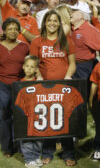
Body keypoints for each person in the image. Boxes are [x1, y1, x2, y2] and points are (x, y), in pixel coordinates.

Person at [30, 9, 76, 166]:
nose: (52, 23)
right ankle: (47, 152)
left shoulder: (67, 41)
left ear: (59, 23)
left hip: (63, 87)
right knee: (48, 121)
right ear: (44, 23)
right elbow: (34, 63)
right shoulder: (37, 41)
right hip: (45, 87)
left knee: (65, 120)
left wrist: (68, 77)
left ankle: (68, 152)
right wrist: (40, 78)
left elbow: (72, 63)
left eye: (55, 20)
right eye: (49, 20)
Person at [0, 17, 29, 157]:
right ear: (4, 31)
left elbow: (29, 67)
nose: (12, 31)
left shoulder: (24, 46)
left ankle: (20, 146)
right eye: (9, 29)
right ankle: (7, 147)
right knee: (4, 116)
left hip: (19, 84)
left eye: (15, 29)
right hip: (2, 84)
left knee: (19, 116)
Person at [69, 0, 100, 80]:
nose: (70, 13)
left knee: (82, 91)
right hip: (71, 65)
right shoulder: (70, 28)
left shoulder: (90, 30)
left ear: (81, 15)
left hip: (84, 68)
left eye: (74, 11)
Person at [19, 55, 43, 168]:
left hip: (38, 116)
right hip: (25, 116)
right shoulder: (19, 83)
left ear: (36, 70)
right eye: (27, 66)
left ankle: (37, 156)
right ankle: (29, 159)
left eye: (32, 67)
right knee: (27, 137)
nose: (29, 69)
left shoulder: (40, 84)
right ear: (23, 67)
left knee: (39, 138)